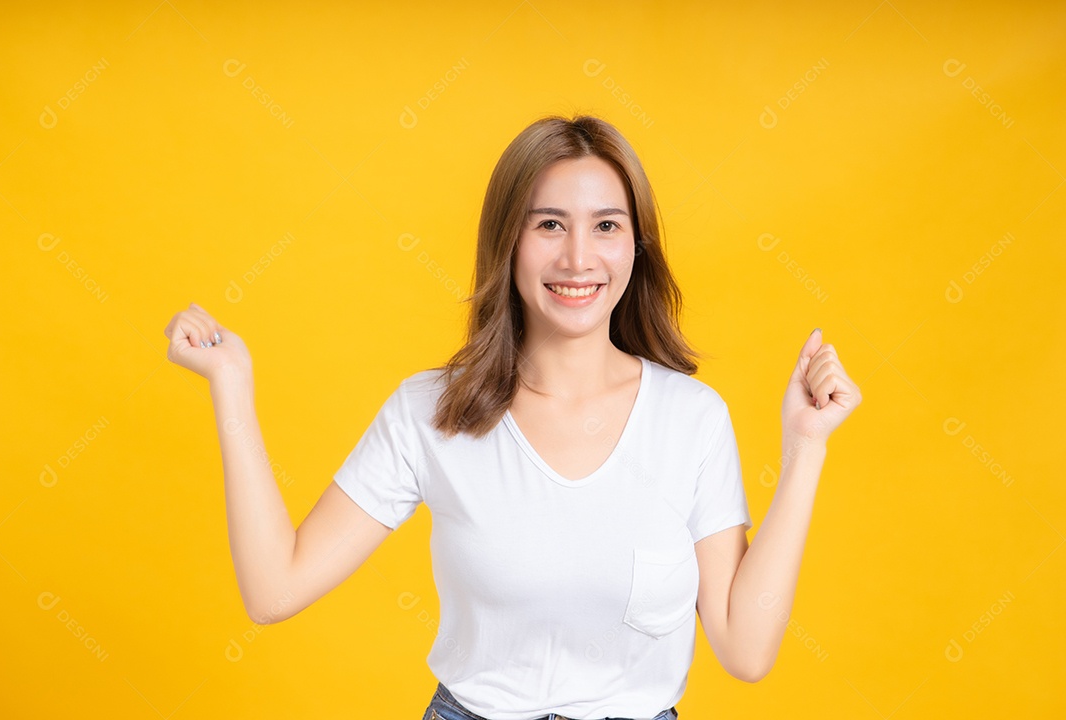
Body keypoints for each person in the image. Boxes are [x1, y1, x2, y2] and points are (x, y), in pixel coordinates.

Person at [163, 114, 861, 720]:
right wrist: (232, 386)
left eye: (607, 226)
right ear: (509, 243)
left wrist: (805, 450)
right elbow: (273, 589)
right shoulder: (432, 412)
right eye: (549, 225)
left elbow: (745, 647)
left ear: (636, 246)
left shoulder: (691, 419)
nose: (578, 258)